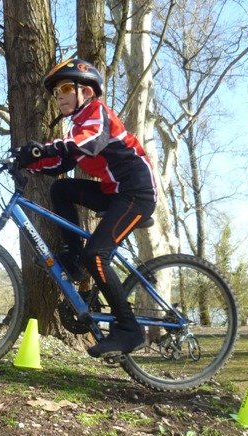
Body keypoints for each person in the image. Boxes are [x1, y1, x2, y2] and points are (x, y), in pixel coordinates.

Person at [13, 58, 157, 358]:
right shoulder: (77, 125)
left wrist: (41, 147)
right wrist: (27, 161)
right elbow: (60, 163)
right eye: (56, 92)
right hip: (113, 193)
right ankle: (74, 258)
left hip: (136, 194)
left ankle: (129, 330)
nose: (60, 95)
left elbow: (87, 143)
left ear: (87, 92)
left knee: (98, 253)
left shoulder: (97, 115)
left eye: (66, 88)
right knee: (62, 189)